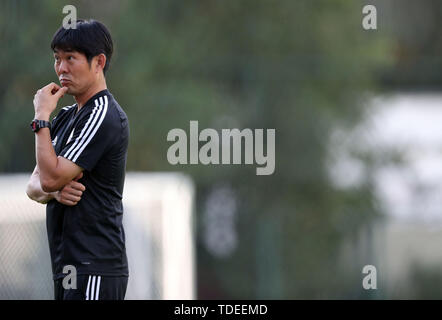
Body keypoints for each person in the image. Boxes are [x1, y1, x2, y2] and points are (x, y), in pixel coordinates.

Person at [26, 19, 129, 300]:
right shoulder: (66, 116)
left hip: (94, 268)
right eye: (57, 59)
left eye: (71, 58)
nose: (61, 68)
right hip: (67, 269)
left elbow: (46, 178)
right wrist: (56, 190)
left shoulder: (103, 114)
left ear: (98, 62)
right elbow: (34, 185)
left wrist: (40, 118)